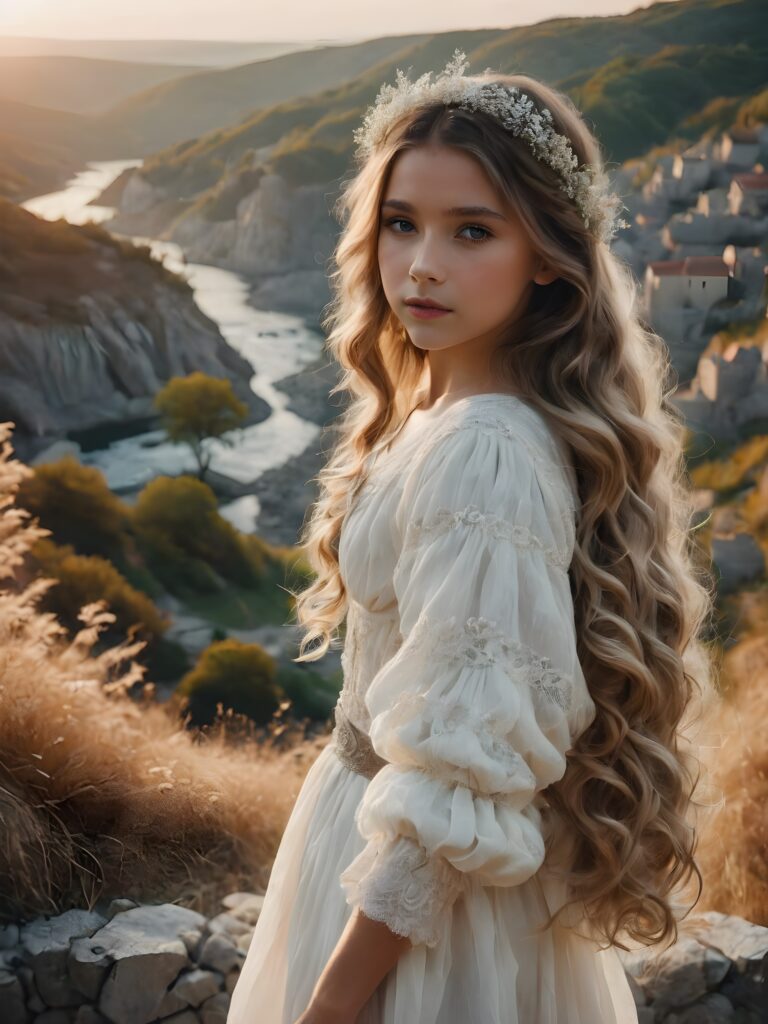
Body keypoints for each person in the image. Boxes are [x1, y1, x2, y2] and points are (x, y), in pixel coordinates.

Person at [226, 50, 717, 1024]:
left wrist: (331, 1004)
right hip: (382, 864)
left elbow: (455, 795)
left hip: (423, 931)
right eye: (401, 223)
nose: (422, 265)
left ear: (547, 255)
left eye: (472, 231)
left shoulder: (484, 448)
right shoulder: (450, 412)